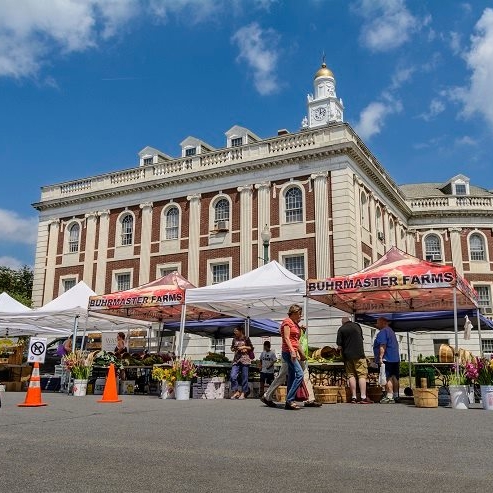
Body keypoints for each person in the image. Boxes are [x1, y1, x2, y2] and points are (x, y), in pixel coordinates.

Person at [336, 317, 373, 404]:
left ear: (342, 322)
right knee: (362, 375)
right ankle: (363, 397)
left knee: (351, 375)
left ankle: (354, 397)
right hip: (359, 354)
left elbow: (339, 346)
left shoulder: (341, 329)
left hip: (348, 356)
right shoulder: (357, 326)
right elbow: (361, 338)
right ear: (350, 320)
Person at [280, 304, 304, 410]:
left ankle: (289, 401)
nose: (300, 316)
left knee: (292, 375)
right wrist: (292, 351)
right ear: (293, 313)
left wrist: (299, 352)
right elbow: (286, 337)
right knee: (300, 374)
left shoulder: (295, 324)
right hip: (288, 352)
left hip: (293, 351)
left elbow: (296, 341)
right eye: (299, 314)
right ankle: (289, 399)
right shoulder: (287, 322)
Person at [373, 317, 400, 404]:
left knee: (387, 377)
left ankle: (389, 396)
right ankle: (396, 395)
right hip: (395, 358)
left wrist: (380, 357)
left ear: (383, 323)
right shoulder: (391, 331)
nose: (377, 325)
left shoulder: (383, 332)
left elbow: (383, 345)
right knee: (394, 377)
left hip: (387, 358)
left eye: (378, 323)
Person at [230, 327, 254, 399]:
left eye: (236, 331)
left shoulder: (246, 338)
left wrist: (244, 347)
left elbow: (251, 347)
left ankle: (243, 392)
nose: (235, 332)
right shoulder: (234, 339)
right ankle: (236, 391)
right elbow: (231, 348)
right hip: (236, 359)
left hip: (245, 359)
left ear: (240, 331)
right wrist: (234, 348)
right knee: (232, 376)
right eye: (234, 331)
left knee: (244, 377)